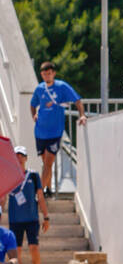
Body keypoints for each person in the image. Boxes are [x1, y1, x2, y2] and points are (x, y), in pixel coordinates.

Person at [30, 62, 86, 196]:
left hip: (55, 131)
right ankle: (48, 189)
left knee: (48, 162)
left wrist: (82, 115)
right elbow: (32, 104)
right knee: (45, 162)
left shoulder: (61, 86)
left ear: (53, 73)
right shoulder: (39, 89)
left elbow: (77, 100)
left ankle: (38, 195)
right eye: (44, 74)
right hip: (40, 130)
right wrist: (34, 115)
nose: (47, 76)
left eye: (49, 73)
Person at [1, 146, 49, 264]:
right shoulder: (9, 176)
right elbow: (3, 198)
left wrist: (46, 216)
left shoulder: (33, 175)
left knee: (34, 248)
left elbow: (40, 196)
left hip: (31, 219)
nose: (19, 158)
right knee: (17, 251)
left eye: (22, 155)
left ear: (26, 158)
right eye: (16, 155)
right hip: (15, 220)